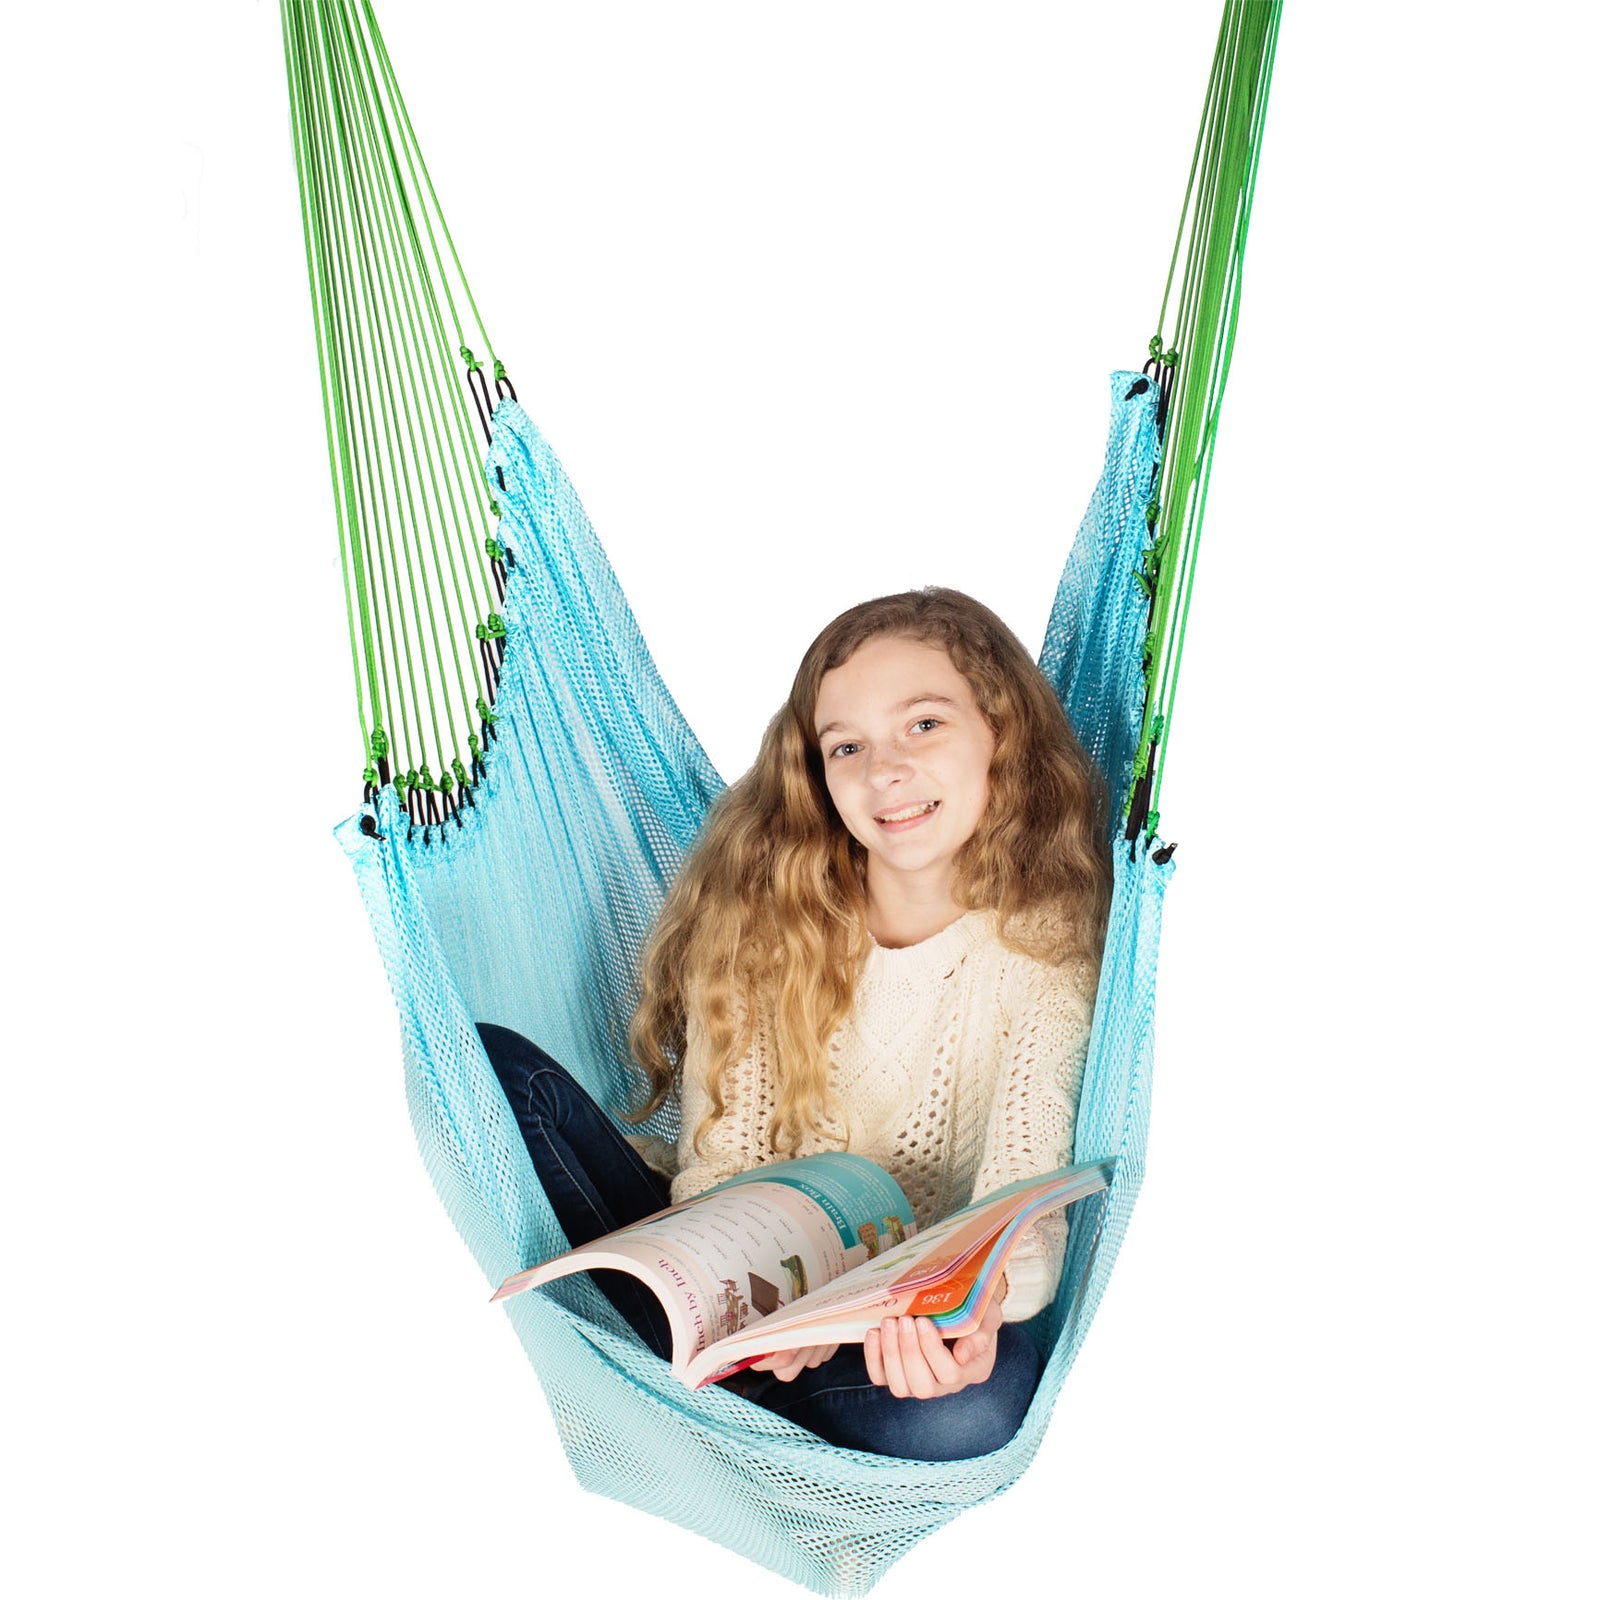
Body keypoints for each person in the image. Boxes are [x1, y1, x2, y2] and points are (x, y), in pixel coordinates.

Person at [481, 587, 1111, 1461]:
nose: (883, 771)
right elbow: (720, 1169)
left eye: (924, 725)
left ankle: (692, 1401)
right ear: (817, 773)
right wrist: (754, 1303)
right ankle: (694, 1375)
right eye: (847, 746)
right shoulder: (763, 920)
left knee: (973, 1407)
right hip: (738, 1289)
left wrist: (966, 1322)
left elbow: (1026, 1214)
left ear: (1001, 735)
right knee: (490, 1069)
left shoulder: (1049, 953)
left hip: (889, 1333)